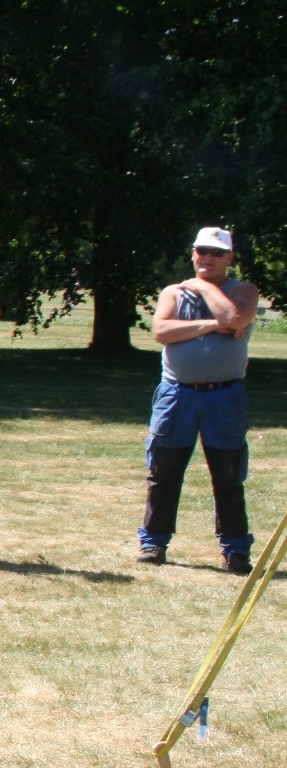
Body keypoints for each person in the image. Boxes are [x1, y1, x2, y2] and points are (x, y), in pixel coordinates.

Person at [138, 226, 260, 573]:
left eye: (216, 253)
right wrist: (212, 325)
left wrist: (204, 288)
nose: (207, 257)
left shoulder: (243, 290)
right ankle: (153, 542)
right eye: (201, 251)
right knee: (163, 473)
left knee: (228, 476)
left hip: (225, 396)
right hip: (177, 394)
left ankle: (236, 550)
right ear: (193, 253)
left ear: (229, 258)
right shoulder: (174, 292)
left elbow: (235, 318)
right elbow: (162, 331)